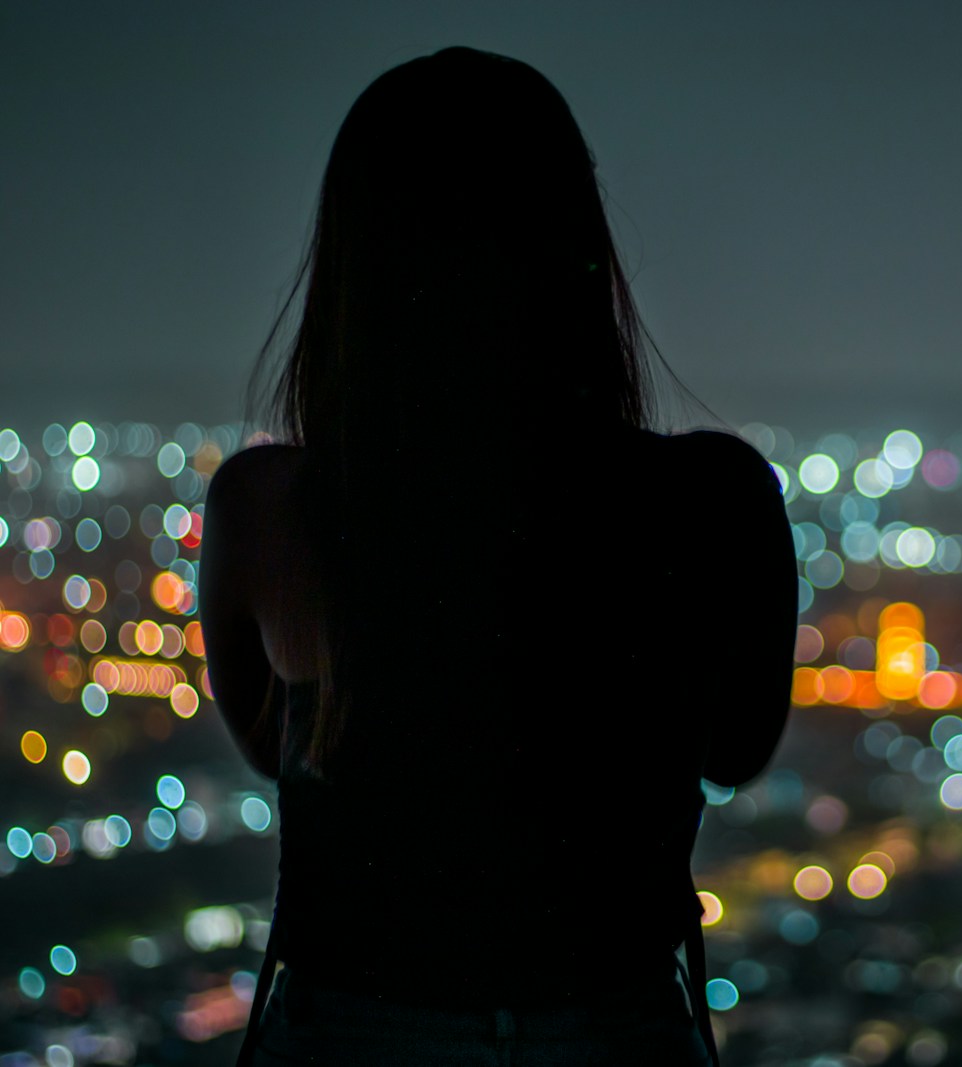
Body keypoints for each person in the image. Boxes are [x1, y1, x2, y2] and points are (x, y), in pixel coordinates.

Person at [198, 47, 796, 1066]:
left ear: (355, 262)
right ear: (578, 248)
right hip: (617, 1031)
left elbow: (278, 746)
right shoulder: (713, 499)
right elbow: (734, 748)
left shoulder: (272, 510)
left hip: (352, 1033)